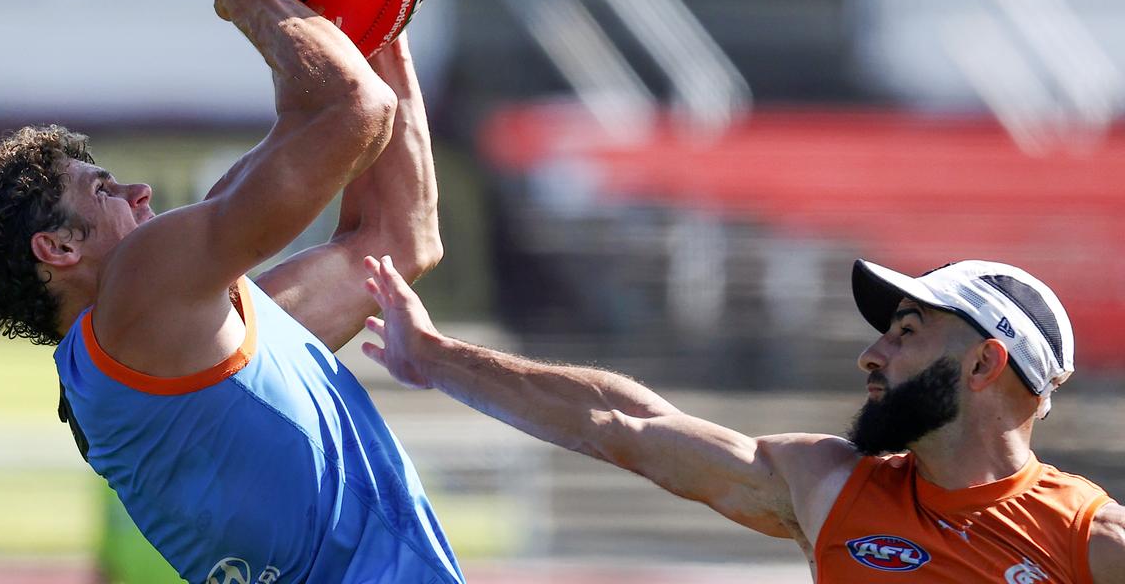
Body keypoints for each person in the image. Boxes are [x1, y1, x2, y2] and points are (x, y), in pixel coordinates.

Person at [0, 0, 463, 584]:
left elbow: (397, 243)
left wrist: (377, 17)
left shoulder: (166, 342)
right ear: (58, 249)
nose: (138, 191)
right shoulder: (142, 287)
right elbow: (354, 114)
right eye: (103, 189)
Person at [361, 255, 1125, 582]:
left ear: (985, 365)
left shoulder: (1086, 537)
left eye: (905, 334)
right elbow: (620, 423)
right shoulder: (828, 486)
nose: (871, 355)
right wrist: (435, 356)